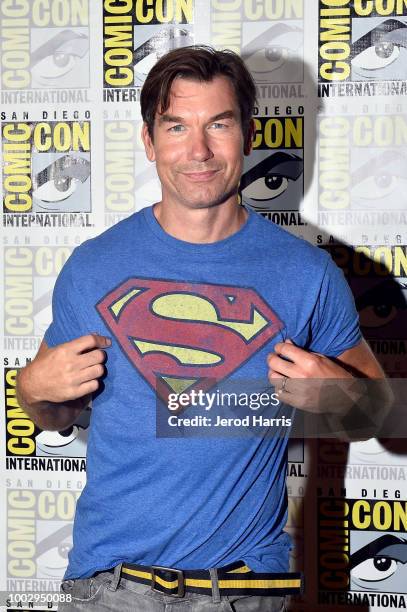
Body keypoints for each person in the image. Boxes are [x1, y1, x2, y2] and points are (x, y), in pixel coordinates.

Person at [16, 46, 385, 611]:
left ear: (248, 134)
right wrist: (33, 392)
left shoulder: (305, 272)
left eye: (218, 123)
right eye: (176, 126)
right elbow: (53, 412)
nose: (198, 150)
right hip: (111, 588)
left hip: (243, 588)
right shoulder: (94, 266)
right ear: (148, 141)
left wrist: (337, 392)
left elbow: (377, 414)